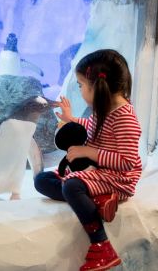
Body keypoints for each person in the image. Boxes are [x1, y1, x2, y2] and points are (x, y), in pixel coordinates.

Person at [34, 49, 142, 271]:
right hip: (100, 172)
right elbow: (93, 129)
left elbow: (127, 161)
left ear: (97, 86)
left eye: (81, 85)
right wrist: (71, 119)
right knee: (41, 180)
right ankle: (98, 201)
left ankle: (101, 244)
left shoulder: (125, 118)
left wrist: (89, 152)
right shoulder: (104, 109)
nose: (80, 90)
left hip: (118, 178)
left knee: (72, 187)